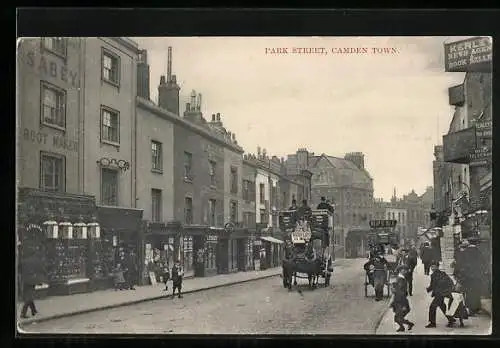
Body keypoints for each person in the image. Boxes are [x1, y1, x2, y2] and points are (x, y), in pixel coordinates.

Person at [425, 261, 456, 328]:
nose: (432, 268)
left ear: (437, 267)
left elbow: (433, 285)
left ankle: (432, 323)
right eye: (431, 266)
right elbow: (433, 285)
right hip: (442, 293)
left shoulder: (435, 275)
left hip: (440, 294)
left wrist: (428, 289)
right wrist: (429, 289)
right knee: (442, 306)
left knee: (432, 307)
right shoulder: (442, 273)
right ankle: (451, 319)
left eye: (434, 266)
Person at [390, 265, 415, 332]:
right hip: (399, 301)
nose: (405, 271)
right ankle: (405, 326)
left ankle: (406, 325)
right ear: (400, 271)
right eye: (403, 270)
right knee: (397, 317)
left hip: (401, 301)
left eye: (405, 270)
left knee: (398, 317)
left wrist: (403, 305)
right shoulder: (400, 279)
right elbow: (400, 291)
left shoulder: (401, 279)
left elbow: (402, 292)